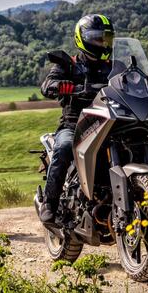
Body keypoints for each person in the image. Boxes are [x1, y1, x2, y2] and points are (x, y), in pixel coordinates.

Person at [38, 14, 115, 223]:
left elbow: (133, 80)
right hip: (74, 124)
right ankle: (50, 203)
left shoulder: (113, 66)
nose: (102, 42)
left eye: (105, 38)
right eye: (97, 38)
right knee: (63, 148)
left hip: (108, 122)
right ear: (83, 38)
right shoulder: (68, 64)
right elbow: (47, 85)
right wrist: (61, 86)